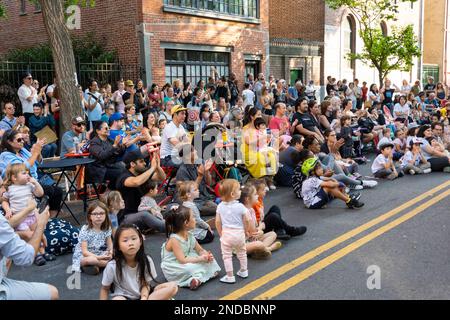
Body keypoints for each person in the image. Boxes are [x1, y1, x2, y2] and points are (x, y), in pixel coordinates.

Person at [0, 199, 59, 300]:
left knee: (8, 254)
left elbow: (5, 229)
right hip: (23, 225)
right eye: (1, 187)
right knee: (53, 293)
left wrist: (22, 234)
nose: (4, 189)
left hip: (23, 225)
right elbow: (26, 258)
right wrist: (41, 224)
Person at [100, 224, 178, 300]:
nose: (130, 243)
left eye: (134, 239)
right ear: (118, 246)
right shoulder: (112, 265)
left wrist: (144, 297)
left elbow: (146, 284)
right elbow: (105, 288)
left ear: (140, 242)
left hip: (145, 295)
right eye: (125, 240)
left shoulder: (147, 260)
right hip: (124, 297)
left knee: (173, 286)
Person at [0, 130, 63, 218]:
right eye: (19, 140)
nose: (22, 141)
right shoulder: (5, 155)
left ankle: (51, 219)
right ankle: (44, 217)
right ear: (9, 141)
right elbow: (21, 169)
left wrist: (38, 151)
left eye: (22, 139)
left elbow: (37, 163)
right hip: (19, 185)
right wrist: (35, 152)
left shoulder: (22, 151)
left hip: (32, 180)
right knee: (53, 191)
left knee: (57, 191)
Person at [1, 163, 54, 265]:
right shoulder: (10, 189)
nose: (27, 175)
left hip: (32, 216)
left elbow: (40, 193)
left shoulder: (29, 185)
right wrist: (7, 210)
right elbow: (5, 200)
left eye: (28, 173)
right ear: (14, 178)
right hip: (20, 218)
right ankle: (36, 254)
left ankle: (43, 252)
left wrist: (36, 183)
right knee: (29, 235)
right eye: (24, 173)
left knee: (37, 233)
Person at [161, 206, 221, 290]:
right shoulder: (174, 240)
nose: (195, 219)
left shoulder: (190, 235)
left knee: (210, 260)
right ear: (186, 223)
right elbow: (182, 260)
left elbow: (199, 249)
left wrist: (206, 254)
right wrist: (201, 259)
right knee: (189, 269)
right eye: (193, 217)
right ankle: (193, 280)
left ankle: (196, 279)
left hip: (188, 257)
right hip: (175, 265)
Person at [116, 149, 166, 232]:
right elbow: (136, 182)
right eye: (141, 161)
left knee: (171, 208)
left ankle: (169, 223)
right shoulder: (123, 177)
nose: (145, 163)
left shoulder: (142, 173)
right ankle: (173, 227)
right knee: (144, 215)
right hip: (127, 217)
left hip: (145, 211)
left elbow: (161, 178)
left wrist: (157, 167)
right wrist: (152, 168)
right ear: (132, 164)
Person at [215, 179, 250, 284]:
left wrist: (221, 233)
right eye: (239, 189)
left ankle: (230, 276)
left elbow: (217, 222)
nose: (241, 191)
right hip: (239, 233)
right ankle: (244, 271)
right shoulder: (240, 206)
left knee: (226, 255)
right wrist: (246, 230)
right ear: (232, 194)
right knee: (242, 252)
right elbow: (247, 220)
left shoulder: (220, 206)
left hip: (227, 234)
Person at [240, 184, 281, 259]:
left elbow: (255, 227)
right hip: (242, 244)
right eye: (255, 194)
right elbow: (253, 232)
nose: (257, 196)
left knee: (273, 234)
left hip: (251, 239)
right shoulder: (245, 212)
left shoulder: (251, 210)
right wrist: (260, 231)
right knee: (259, 244)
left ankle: (260, 251)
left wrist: (260, 229)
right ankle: (268, 248)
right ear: (247, 199)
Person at [175, 145, 218, 216]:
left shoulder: (200, 162)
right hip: (190, 199)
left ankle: (194, 211)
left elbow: (209, 183)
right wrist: (200, 176)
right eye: (193, 151)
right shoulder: (182, 171)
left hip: (202, 196)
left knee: (218, 205)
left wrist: (207, 172)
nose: (196, 151)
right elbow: (189, 192)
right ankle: (192, 211)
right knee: (215, 208)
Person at [71, 202, 112, 275]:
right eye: (95, 214)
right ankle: (103, 264)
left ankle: (94, 266)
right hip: (85, 255)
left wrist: (110, 252)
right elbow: (85, 252)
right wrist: (99, 258)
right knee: (92, 260)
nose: (98, 216)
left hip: (98, 252)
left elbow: (110, 244)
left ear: (106, 215)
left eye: (102, 213)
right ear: (90, 216)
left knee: (116, 253)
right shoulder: (85, 230)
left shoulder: (107, 228)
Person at [85, 121, 126, 189]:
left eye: (108, 128)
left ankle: (112, 190)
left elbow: (118, 153)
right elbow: (102, 155)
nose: (108, 130)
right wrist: (114, 145)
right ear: (98, 131)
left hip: (109, 166)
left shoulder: (109, 140)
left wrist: (123, 145)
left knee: (127, 168)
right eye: (106, 128)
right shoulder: (94, 143)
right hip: (99, 169)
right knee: (121, 172)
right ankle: (110, 190)